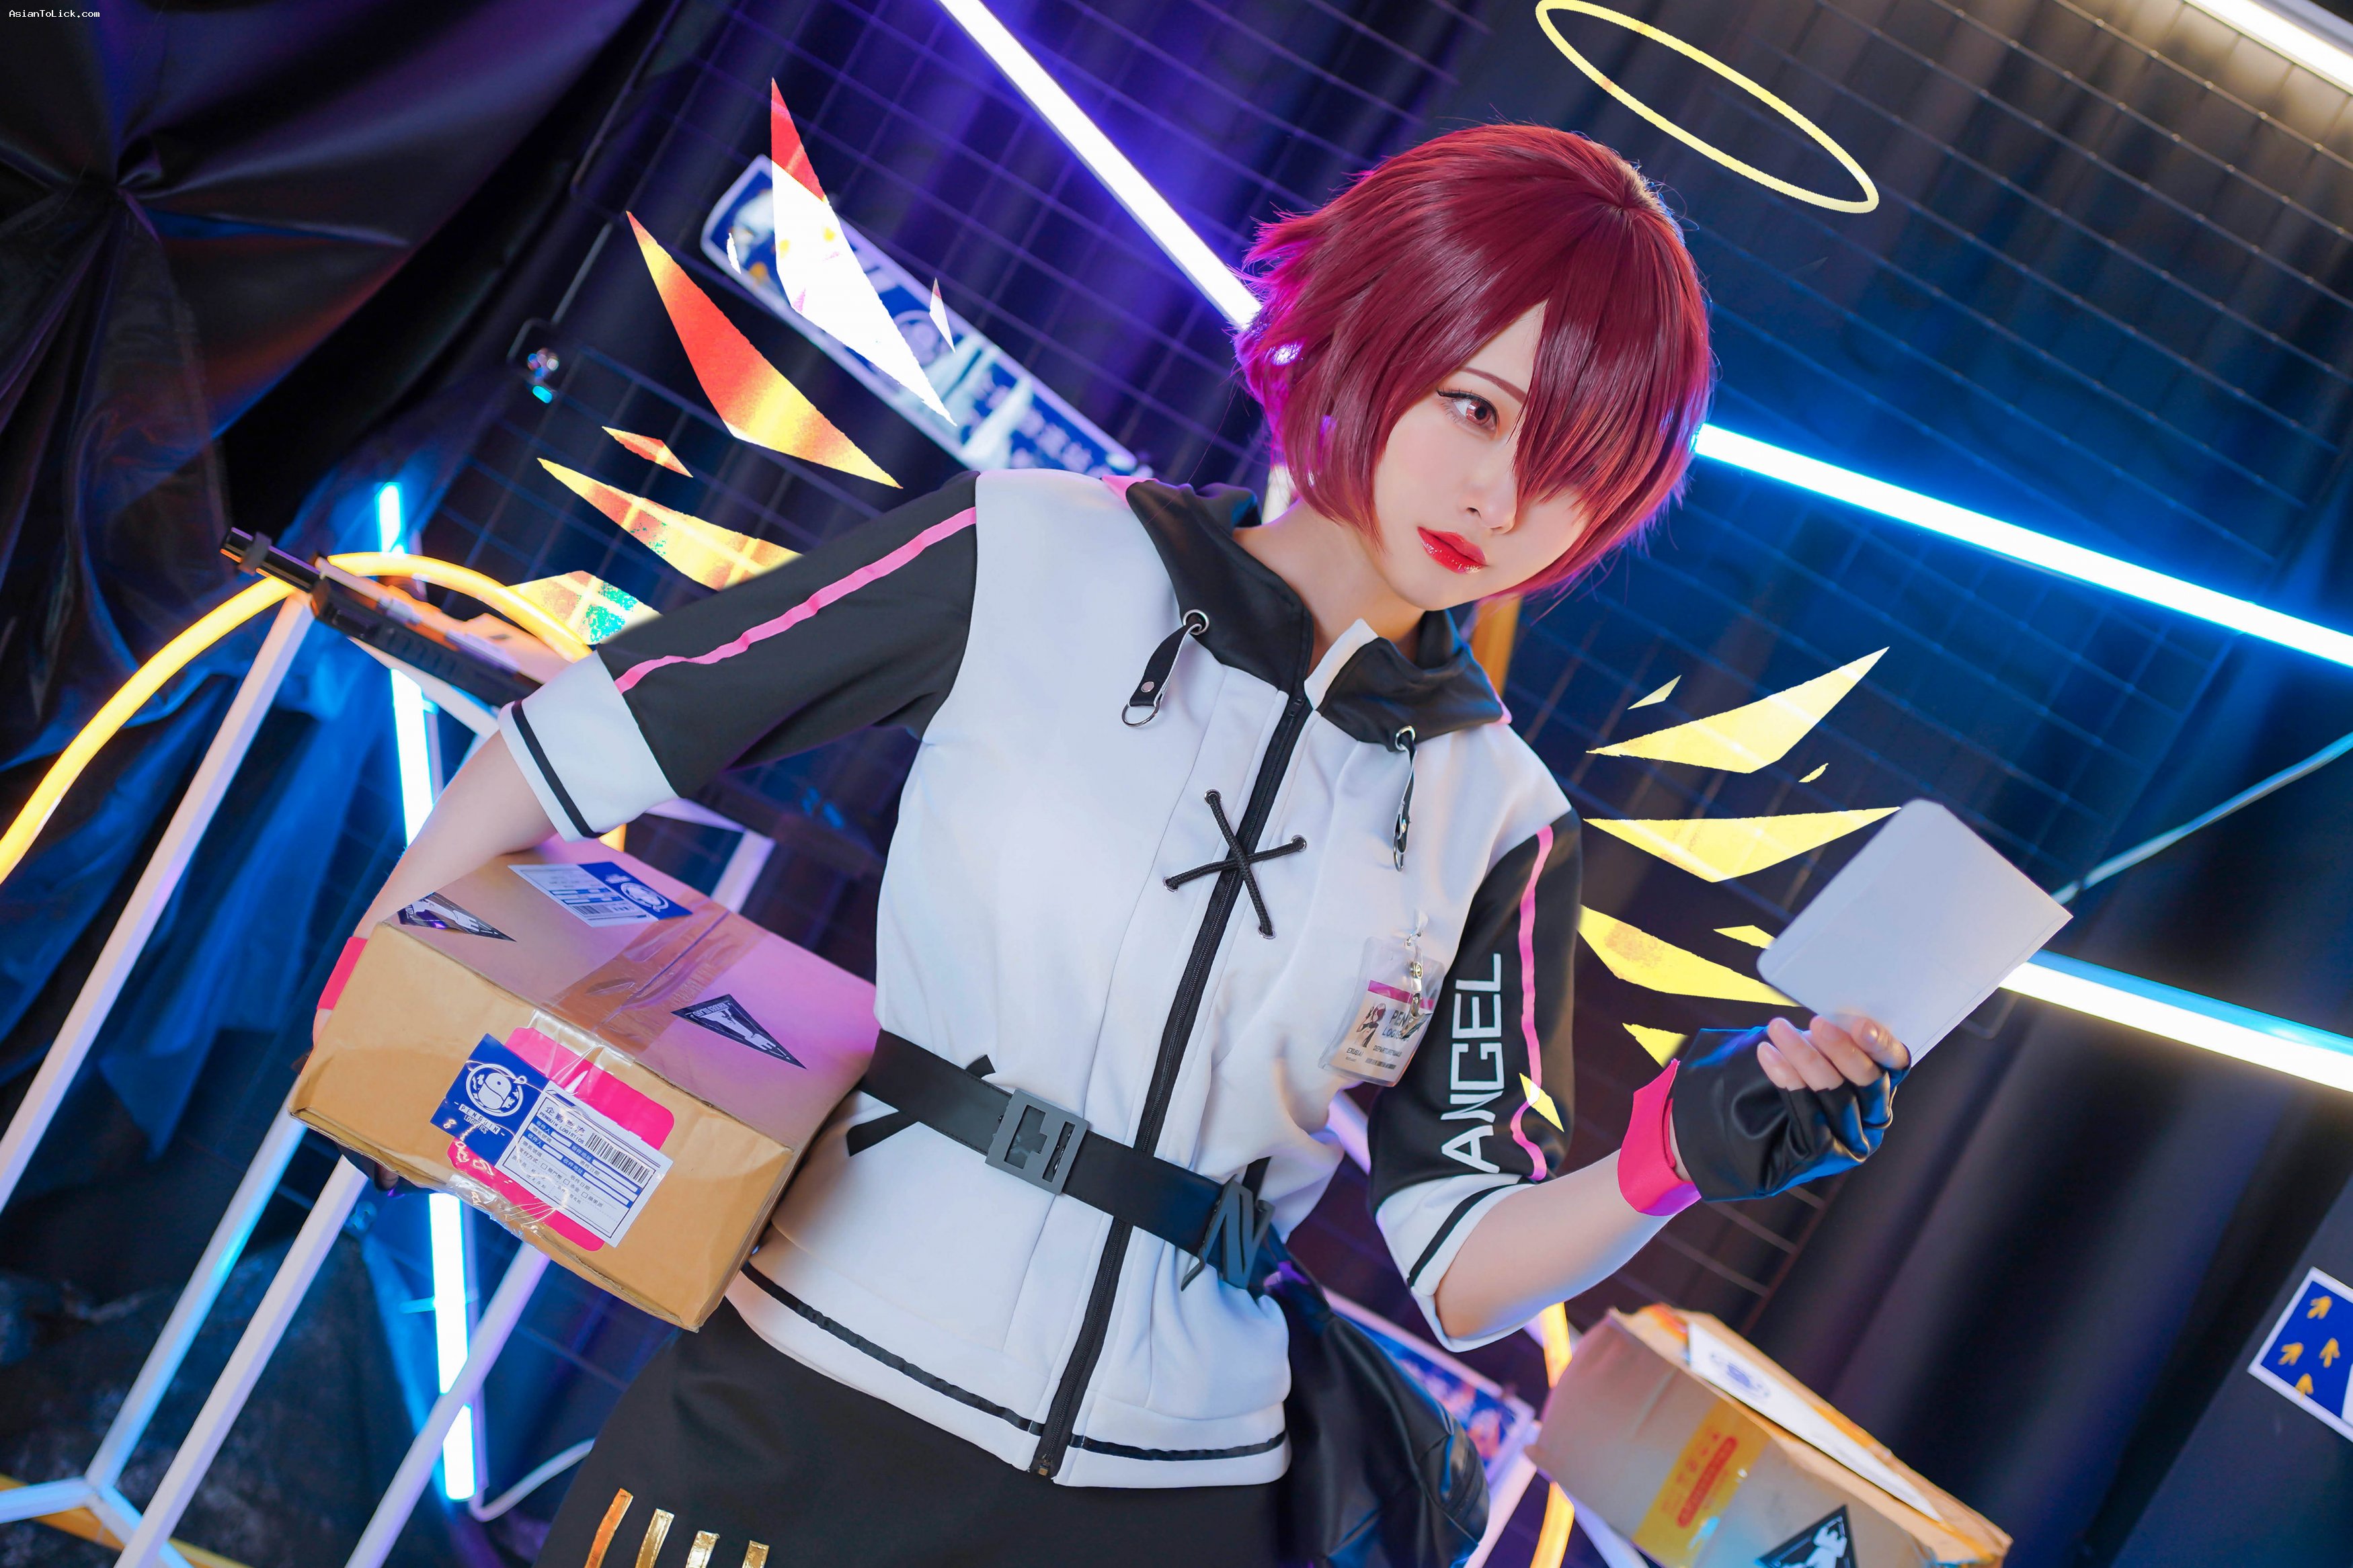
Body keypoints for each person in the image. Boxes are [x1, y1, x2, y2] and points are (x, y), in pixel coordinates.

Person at [332, 124, 1908, 1567]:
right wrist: (384, 1016)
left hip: (1174, 1495)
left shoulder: (1498, 817)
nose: (1499, 497)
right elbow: (591, 734)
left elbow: (1456, 1259)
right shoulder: (1030, 552)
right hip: (805, 1398)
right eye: (1475, 408)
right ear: (1374, 334)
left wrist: (1670, 1160)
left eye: (1567, 470)